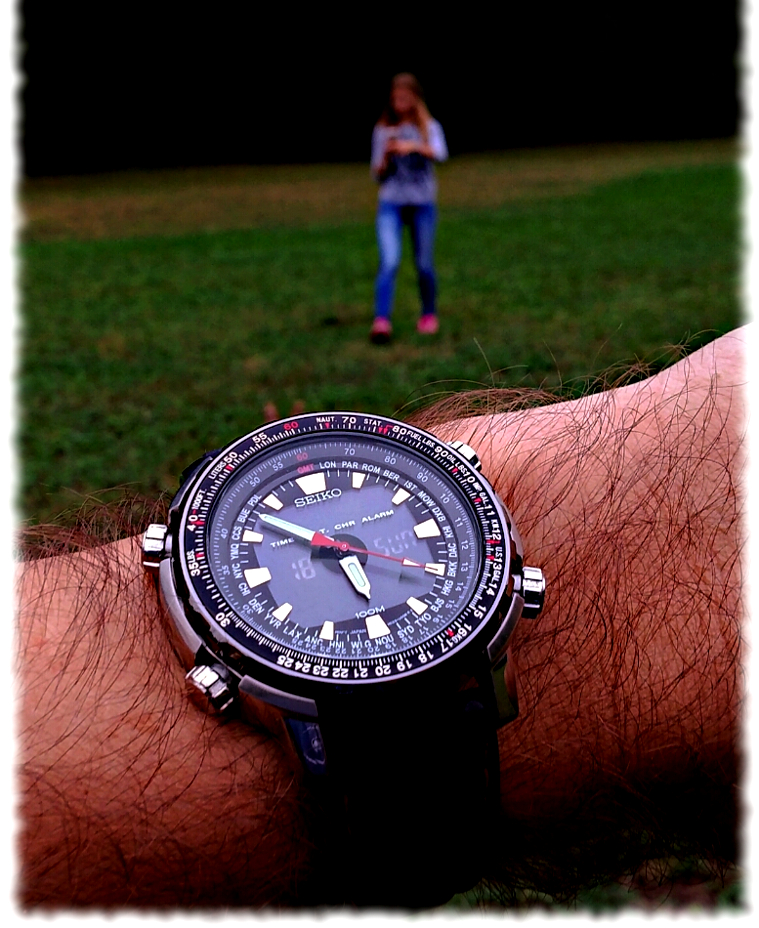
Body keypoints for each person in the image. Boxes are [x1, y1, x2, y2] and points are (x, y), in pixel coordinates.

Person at [16, 326, 745, 908]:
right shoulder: (262, 683)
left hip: (452, 668)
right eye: (324, 544)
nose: (338, 547)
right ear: (216, 676)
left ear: (519, 582)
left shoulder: (480, 622)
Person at [369, 73, 448, 344]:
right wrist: (387, 156)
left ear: (415, 98)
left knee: (424, 264)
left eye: (404, 98)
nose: (399, 103)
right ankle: (381, 321)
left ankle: (428, 314)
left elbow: (440, 154)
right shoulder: (383, 131)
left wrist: (413, 146)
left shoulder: (429, 127)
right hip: (391, 202)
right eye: (395, 98)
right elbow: (376, 174)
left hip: (422, 203)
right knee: (389, 262)